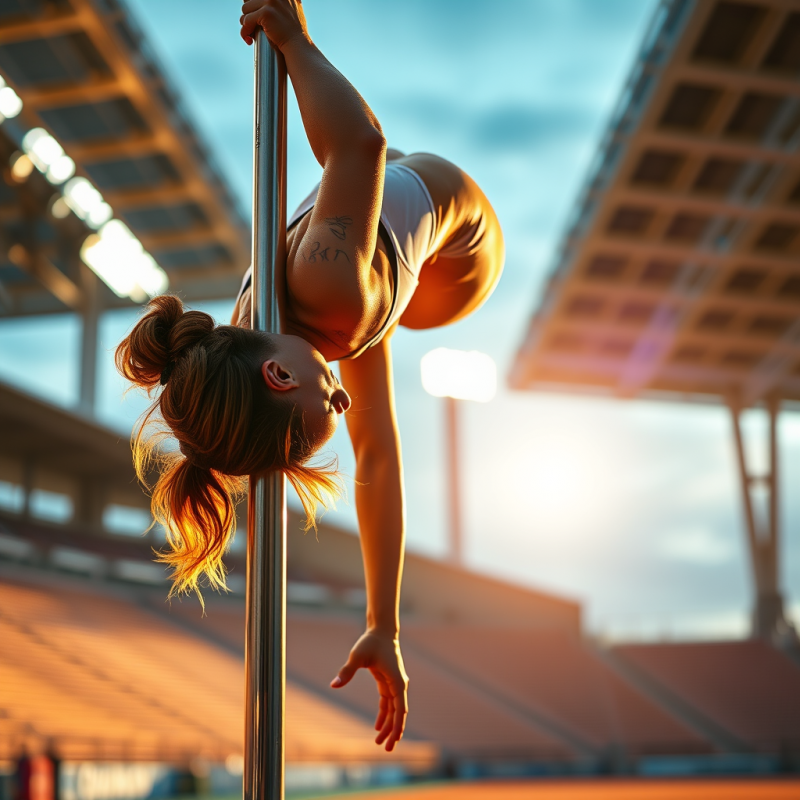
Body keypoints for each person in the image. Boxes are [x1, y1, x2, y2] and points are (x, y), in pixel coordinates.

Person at [116, 0, 503, 753]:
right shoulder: (261, 323)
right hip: (388, 264)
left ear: (279, 379)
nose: (339, 394)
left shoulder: (329, 299)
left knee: (353, 314)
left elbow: (360, 146)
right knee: (354, 328)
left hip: (458, 264)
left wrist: (295, 41)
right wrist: (381, 624)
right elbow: (380, 461)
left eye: (320, 409)